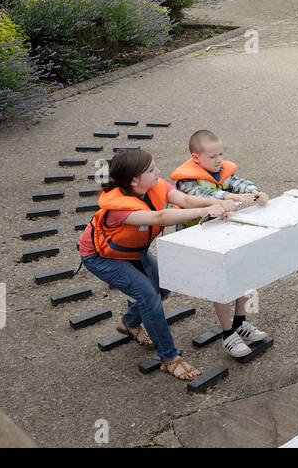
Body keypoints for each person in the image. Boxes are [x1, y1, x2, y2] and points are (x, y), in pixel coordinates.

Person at [80, 149, 236, 381]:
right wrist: (206, 211)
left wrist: (219, 201)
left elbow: (184, 199)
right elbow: (159, 218)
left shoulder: (152, 186)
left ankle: (128, 323)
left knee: (162, 289)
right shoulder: (117, 209)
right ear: (134, 180)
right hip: (101, 257)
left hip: (133, 250)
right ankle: (169, 358)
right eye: (152, 169)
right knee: (148, 297)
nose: (158, 172)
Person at [170, 130, 272, 359]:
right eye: (213, 157)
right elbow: (205, 193)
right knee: (219, 282)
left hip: (220, 229)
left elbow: (237, 182)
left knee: (241, 272)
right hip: (197, 236)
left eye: (221, 155)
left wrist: (254, 191)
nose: (218, 161)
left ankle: (241, 321)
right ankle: (228, 334)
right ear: (195, 158)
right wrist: (227, 197)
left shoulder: (221, 170)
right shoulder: (186, 181)